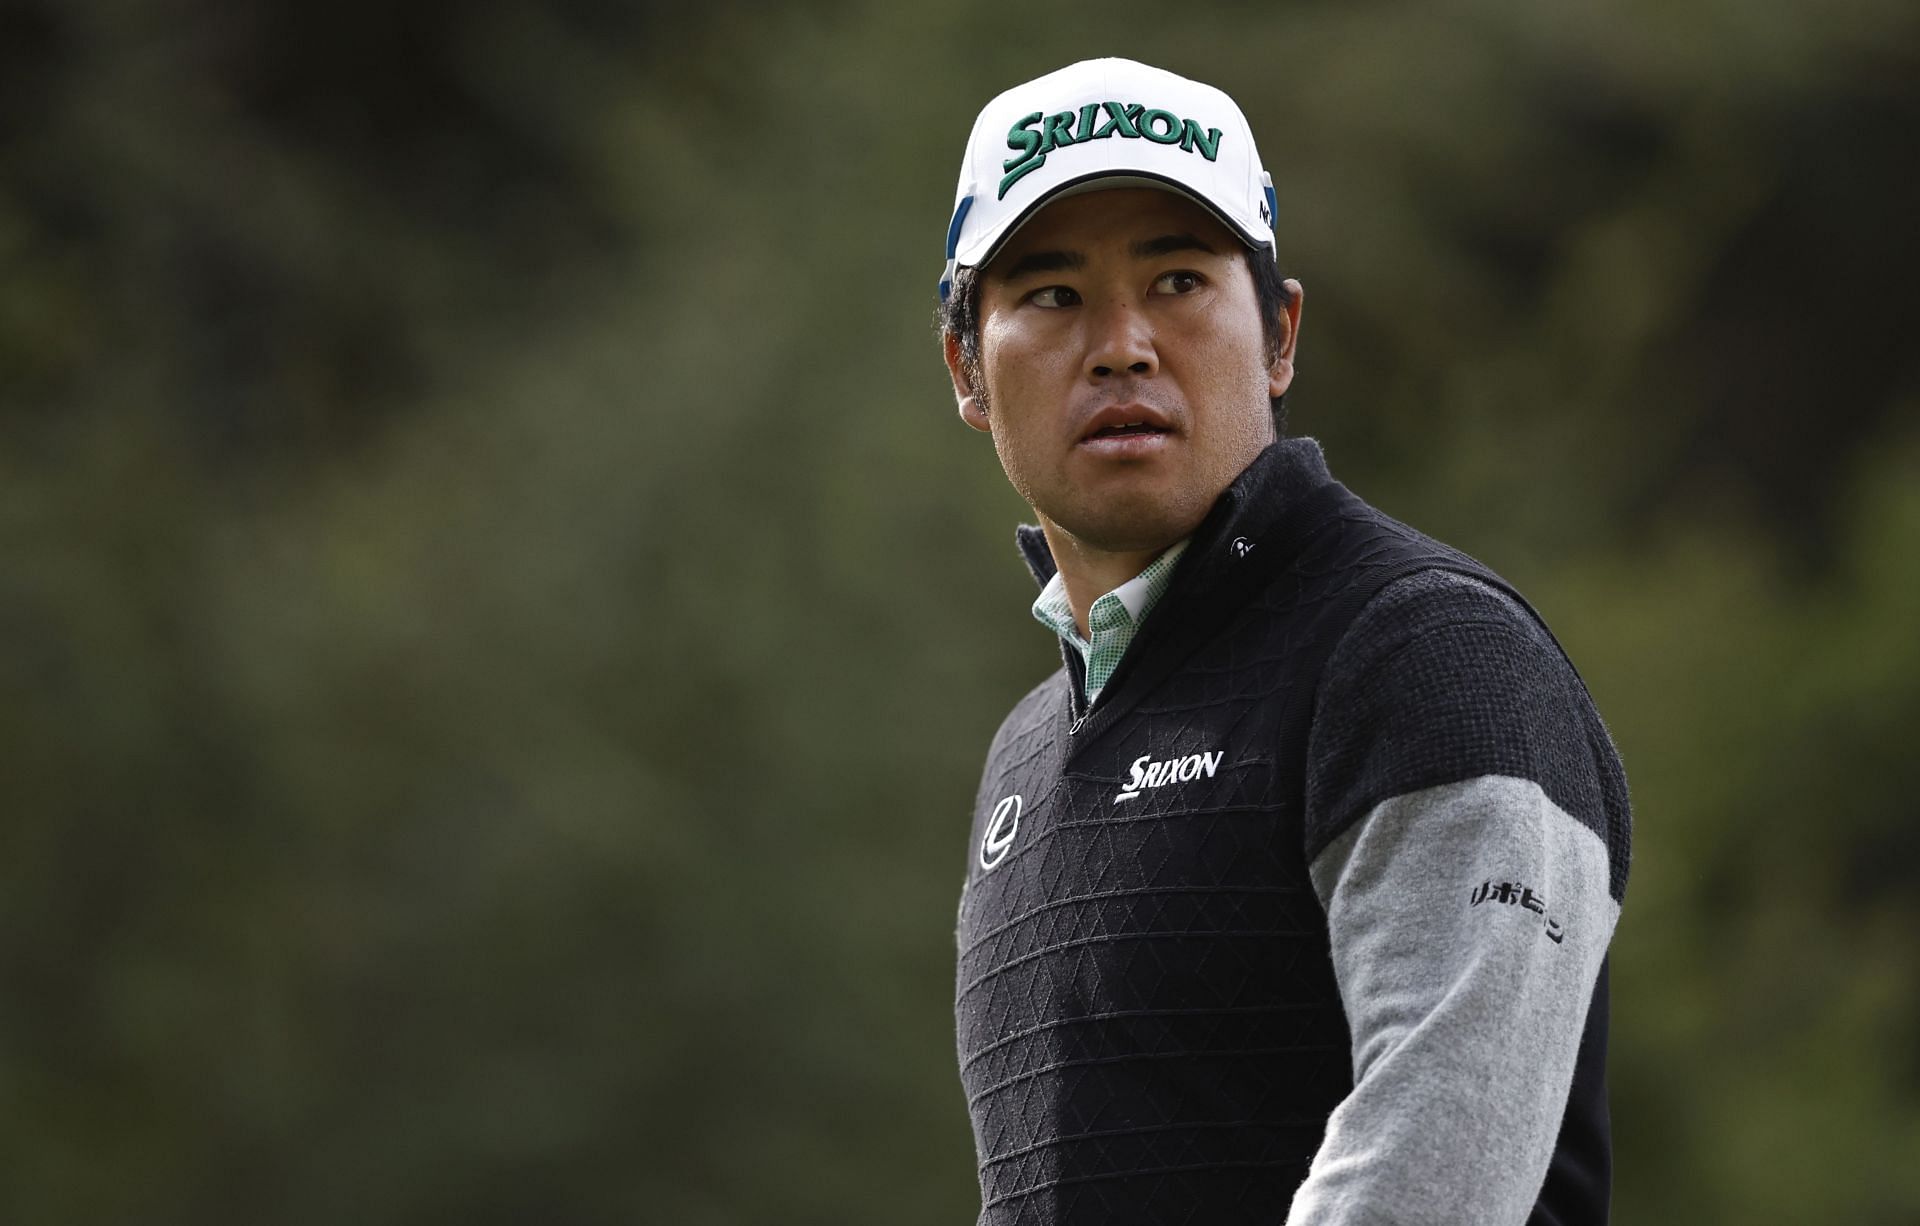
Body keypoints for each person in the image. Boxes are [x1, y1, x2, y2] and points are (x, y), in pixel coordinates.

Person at [936, 58, 1631, 1226]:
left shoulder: (1429, 653)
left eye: (1176, 279)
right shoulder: (1027, 753)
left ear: (1280, 335)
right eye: (1052, 295)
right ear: (966, 365)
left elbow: (1430, 1180)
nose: (1121, 344)